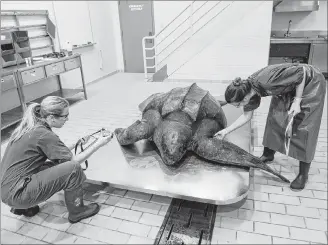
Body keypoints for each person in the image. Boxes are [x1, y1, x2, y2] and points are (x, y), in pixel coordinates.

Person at [0, 96, 113, 223]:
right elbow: (73, 162)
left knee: (50, 165)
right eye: (65, 116)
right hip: (17, 194)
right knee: (73, 169)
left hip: (7, 189)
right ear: (52, 118)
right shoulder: (44, 135)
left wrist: (78, 143)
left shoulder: (31, 127)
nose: (67, 119)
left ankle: (23, 208)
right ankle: (78, 211)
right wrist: (99, 143)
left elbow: (56, 152)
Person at [214, 63, 326, 190]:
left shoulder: (266, 80)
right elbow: (246, 116)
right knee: (276, 118)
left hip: (309, 82)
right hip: (289, 86)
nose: (238, 107)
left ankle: (303, 175)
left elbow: (301, 72)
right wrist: (225, 131)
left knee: (304, 127)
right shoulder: (249, 92)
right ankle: (268, 154)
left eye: (237, 104)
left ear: (244, 99)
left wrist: (297, 101)